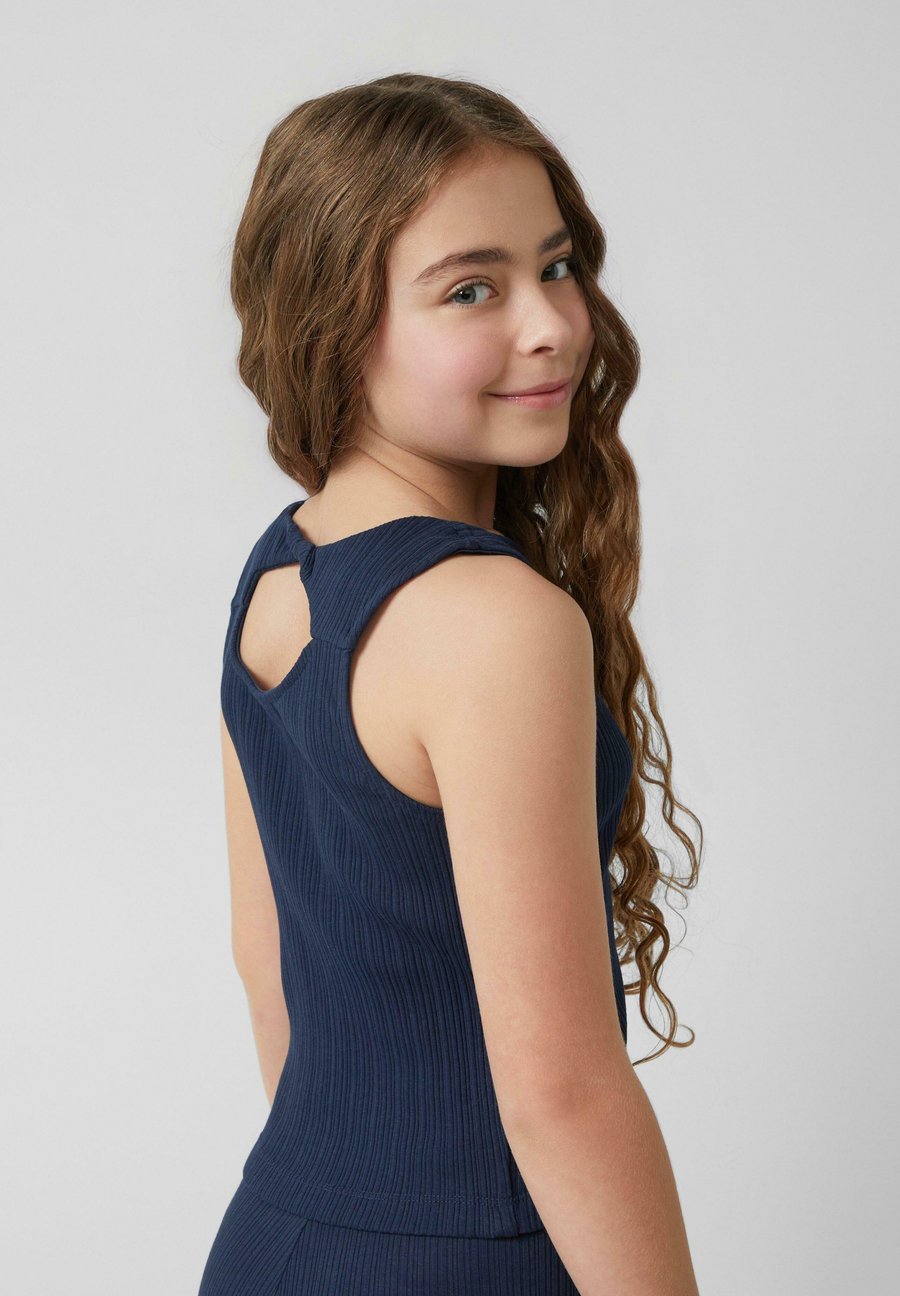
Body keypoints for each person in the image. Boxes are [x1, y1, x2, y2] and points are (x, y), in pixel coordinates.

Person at [199, 72, 702, 1296]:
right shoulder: (494, 623)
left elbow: (268, 972)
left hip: (278, 1237)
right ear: (335, 322)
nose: (553, 325)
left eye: (557, 266)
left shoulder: (278, 574)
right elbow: (563, 1093)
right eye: (472, 288)